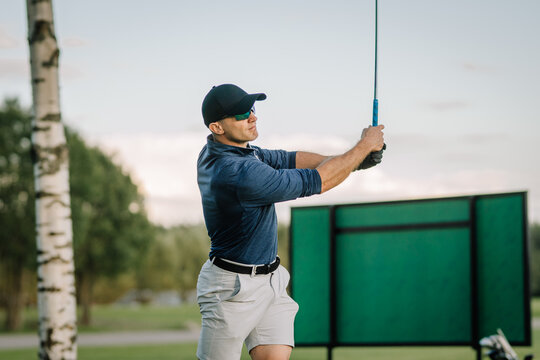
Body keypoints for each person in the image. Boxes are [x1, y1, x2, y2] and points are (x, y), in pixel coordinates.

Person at [196, 84, 385, 360]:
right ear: (217, 127)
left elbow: (290, 159)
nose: (252, 117)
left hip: (270, 280)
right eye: (240, 115)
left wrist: (356, 161)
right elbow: (317, 181)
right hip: (232, 290)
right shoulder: (237, 172)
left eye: (251, 109)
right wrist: (363, 147)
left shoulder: (241, 152)